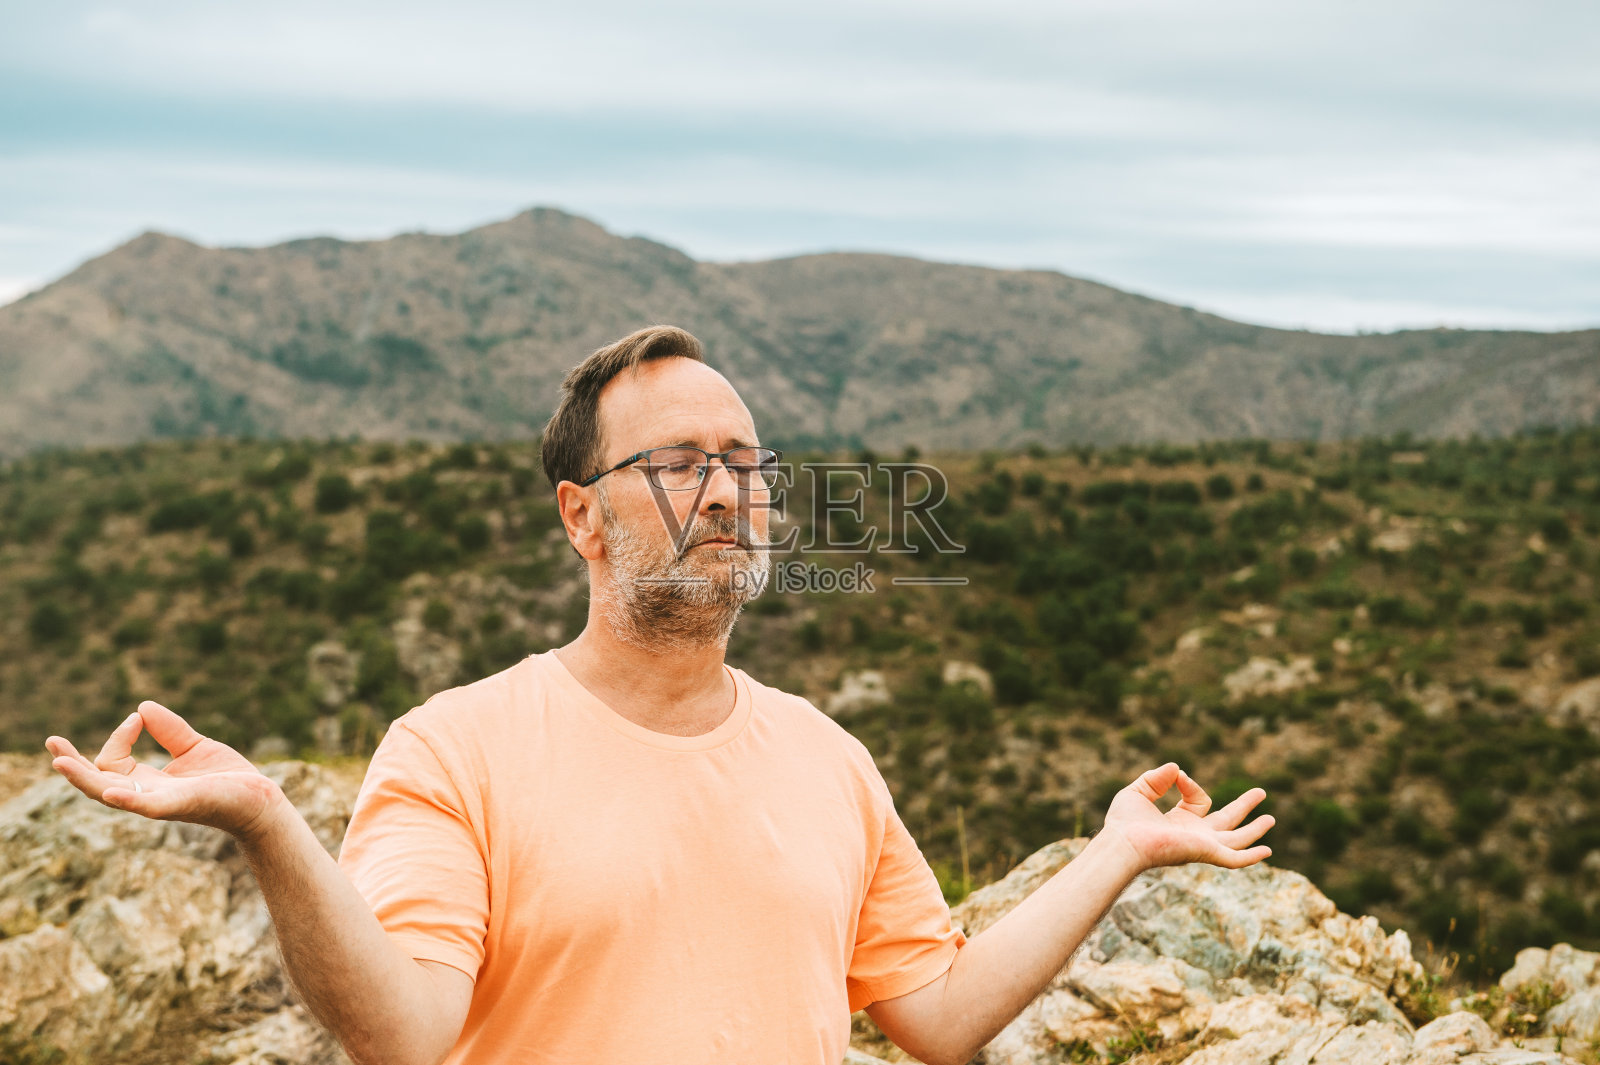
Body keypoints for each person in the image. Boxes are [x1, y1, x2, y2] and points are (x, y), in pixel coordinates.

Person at [45, 325, 1273, 1065]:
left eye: (748, 463)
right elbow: (405, 1035)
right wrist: (267, 822)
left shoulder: (824, 755)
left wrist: (1116, 852)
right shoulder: (454, 749)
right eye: (682, 463)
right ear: (581, 516)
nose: (731, 493)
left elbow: (939, 1017)